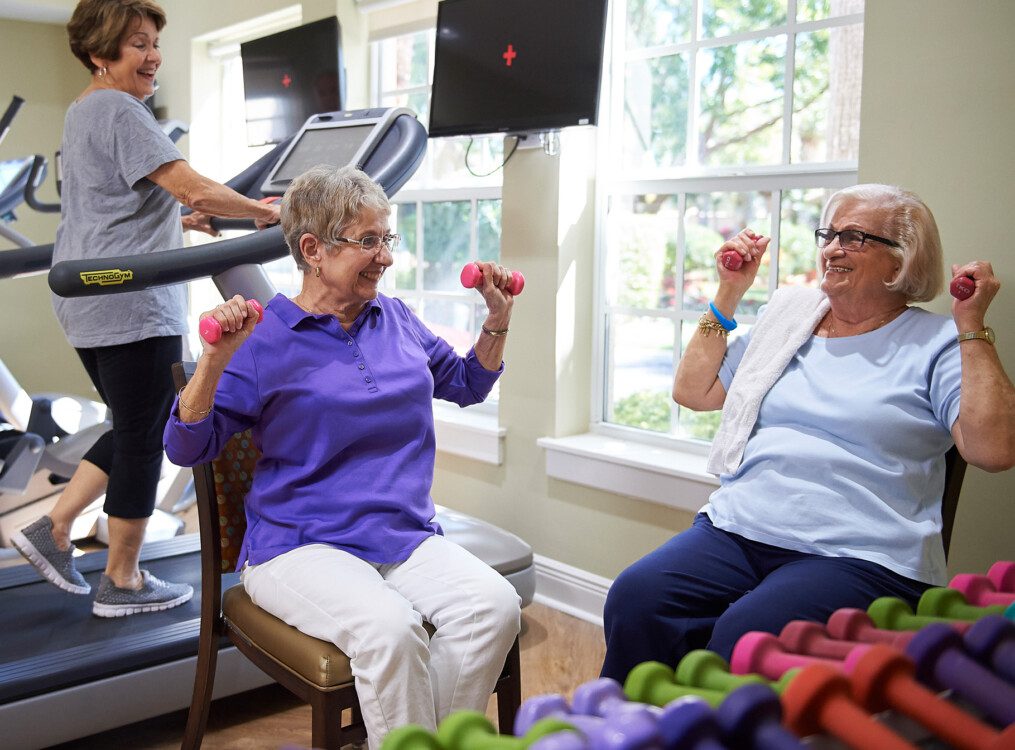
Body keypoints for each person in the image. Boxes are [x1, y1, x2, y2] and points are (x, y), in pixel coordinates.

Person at [163, 164, 522, 748]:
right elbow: (186, 446)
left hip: (402, 536)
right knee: (393, 631)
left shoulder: (396, 318)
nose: (385, 257)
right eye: (368, 241)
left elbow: (464, 383)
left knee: (494, 607)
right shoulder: (260, 338)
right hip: (300, 545)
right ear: (313, 249)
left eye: (387, 239)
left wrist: (497, 322)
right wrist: (212, 362)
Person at [600, 183, 1015, 681]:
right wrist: (729, 291)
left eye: (856, 237)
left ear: (903, 259)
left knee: (748, 636)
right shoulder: (791, 321)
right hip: (740, 527)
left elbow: (993, 450)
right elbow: (694, 391)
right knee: (638, 596)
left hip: (859, 552)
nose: (833, 248)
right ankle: (634, 730)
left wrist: (971, 325)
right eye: (830, 233)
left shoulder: (936, 342)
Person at [12, 0, 280, 617]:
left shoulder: (85, 110)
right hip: (131, 305)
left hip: (91, 308)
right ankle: (121, 581)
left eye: (155, 42)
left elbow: (114, 203)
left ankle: (51, 530)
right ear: (101, 53)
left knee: (135, 423)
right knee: (146, 437)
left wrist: (180, 220)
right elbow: (189, 182)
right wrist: (268, 213)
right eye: (137, 43)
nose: (153, 54)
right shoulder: (122, 110)